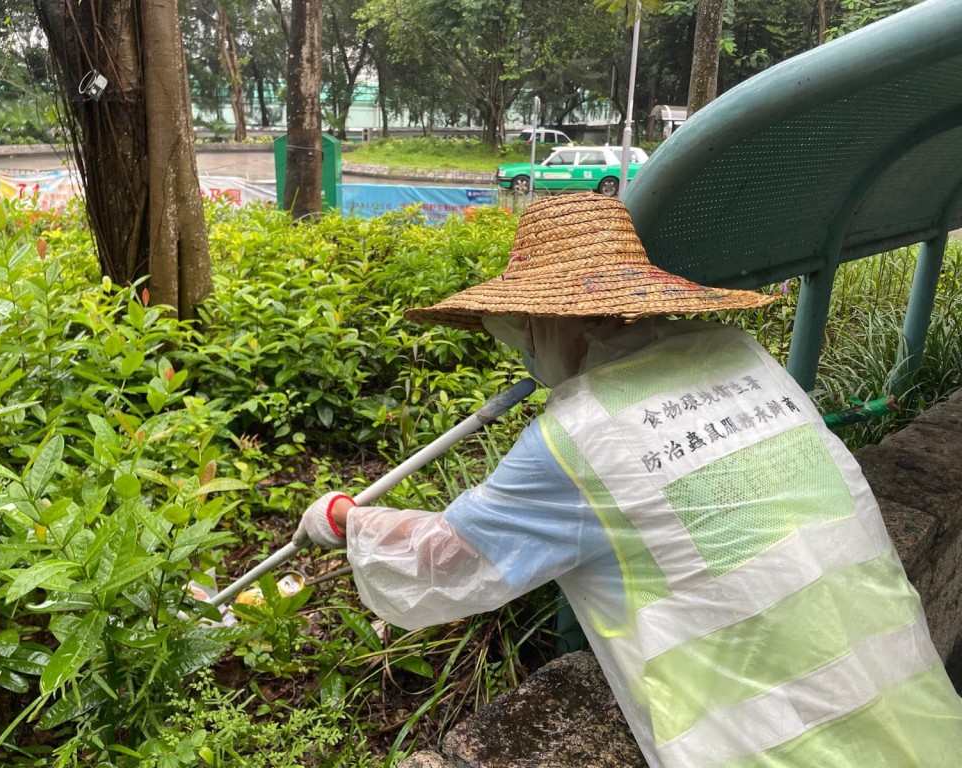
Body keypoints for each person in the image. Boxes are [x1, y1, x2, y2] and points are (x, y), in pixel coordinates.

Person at [295, 193, 962, 767]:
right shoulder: (742, 357)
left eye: (521, 329)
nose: (522, 345)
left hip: (768, 743)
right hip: (915, 708)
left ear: (547, 318)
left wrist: (345, 519)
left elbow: (444, 563)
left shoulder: (579, 435)